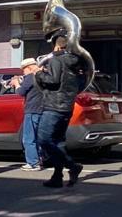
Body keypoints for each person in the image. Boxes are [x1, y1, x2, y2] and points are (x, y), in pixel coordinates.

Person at [34, 32, 86, 188]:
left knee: (43, 139)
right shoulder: (76, 63)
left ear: (56, 45)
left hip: (53, 106)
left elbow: (53, 81)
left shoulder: (56, 60)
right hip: (66, 107)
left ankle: (72, 166)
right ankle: (57, 177)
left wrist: (38, 74)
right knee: (58, 142)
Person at [16, 58, 42, 171]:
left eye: (24, 70)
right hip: (41, 109)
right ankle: (40, 159)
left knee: (28, 138)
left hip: (31, 110)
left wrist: (16, 83)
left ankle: (33, 163)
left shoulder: (30, 77)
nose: (23, 73)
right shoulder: (41, 76)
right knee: (38, 137)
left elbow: (21, 92)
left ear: (29, 68)